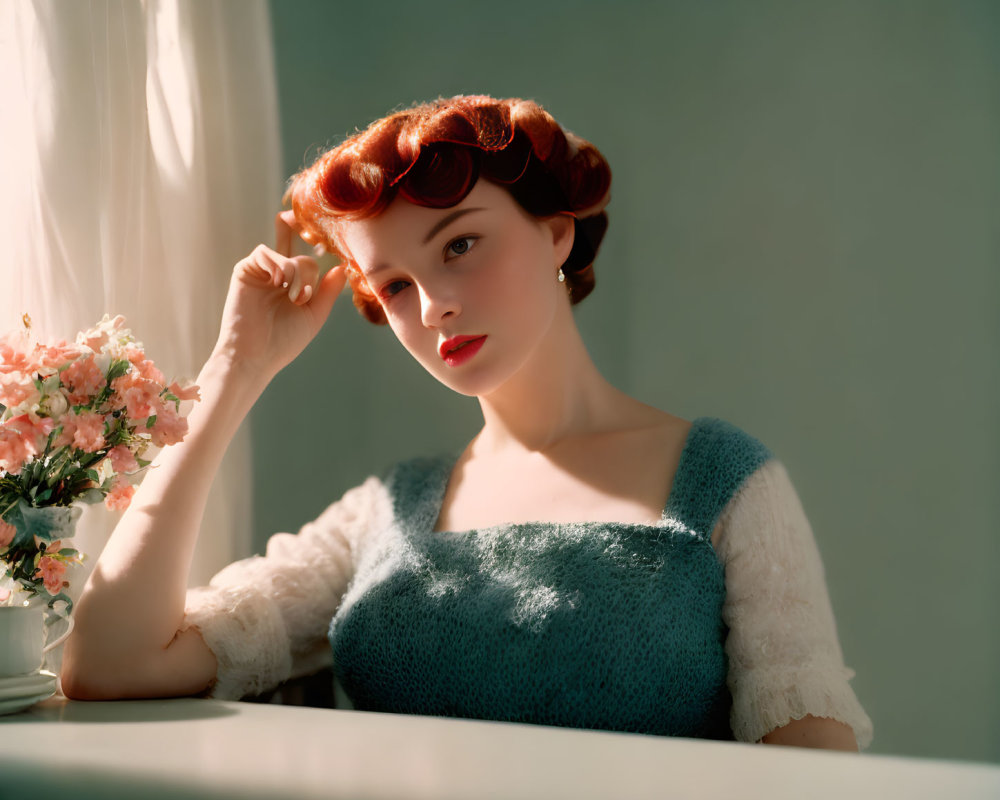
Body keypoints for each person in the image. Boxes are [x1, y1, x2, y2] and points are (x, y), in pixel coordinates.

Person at [61, 95, 872, 751]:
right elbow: (111, 662)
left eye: (460, 246)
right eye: (394, 286)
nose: (434, 304)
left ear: (556, 232)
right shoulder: (380, 516)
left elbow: (815, 770)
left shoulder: (724, 482)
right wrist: (235, 372)